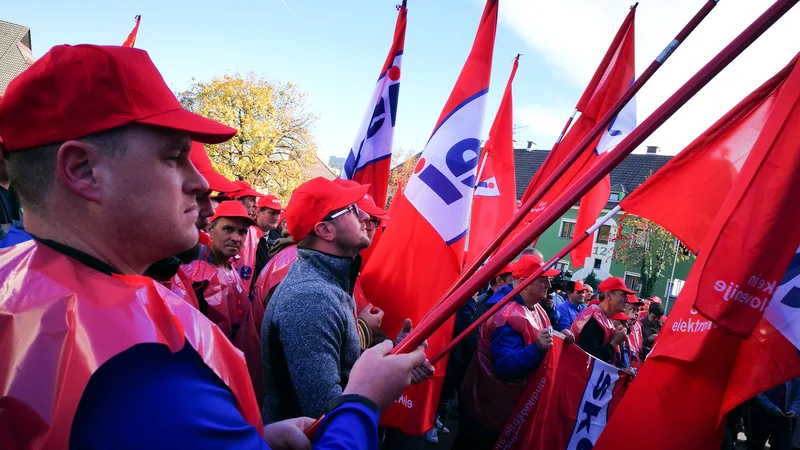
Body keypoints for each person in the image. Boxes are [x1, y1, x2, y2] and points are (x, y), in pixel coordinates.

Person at [0, 44, 428, 450]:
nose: (203, 183)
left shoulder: (18, 272)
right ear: (82, 170)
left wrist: (253, 437)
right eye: (173, 156)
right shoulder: (144, 373)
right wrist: (363, 401)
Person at [260, 177, 434, 425]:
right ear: (325, 230)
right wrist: (383, 385)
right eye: (353, 210)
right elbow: (327, 416)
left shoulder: (330, 280)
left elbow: (344, 364)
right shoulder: (311, 297)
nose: (365, 217)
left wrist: (394, 359)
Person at [455, 254, 575, 449]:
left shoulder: (537, 308)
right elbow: (504, 367)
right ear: (525, 282)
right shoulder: (507, 315)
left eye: (548, 280)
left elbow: (541, 336)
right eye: (543, 280)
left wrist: (560, 337)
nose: (549, 285)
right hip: (488, 409)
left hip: (506, 407)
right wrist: (537, 348)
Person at [570, 277, 632, 365]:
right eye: (623, 295)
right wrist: (614, 342)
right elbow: (589, 362)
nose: (627, 300)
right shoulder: (593, 318)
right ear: (608, 295)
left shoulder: (604, 318)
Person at [749, 379, 800, 450]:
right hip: (762, 415)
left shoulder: (794, 373)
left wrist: (793, 410)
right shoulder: (766, 370)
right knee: (756, 445)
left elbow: (798, 396)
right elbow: (758, 393)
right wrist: (772, 408)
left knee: (784, 446)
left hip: (785, 418)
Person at [233, 180, 264, 294]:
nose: (256, 205)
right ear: (238, 201)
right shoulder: (213, 227)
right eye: (252, 200)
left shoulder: (254, 232)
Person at [252, 194, 286, 288]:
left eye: (278, 213)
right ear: (258, 212)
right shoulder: (247, 235)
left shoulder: (279, 237)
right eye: (272, 213)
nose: (276, 217)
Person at [625, 294, 645, 370]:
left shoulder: (638, 326)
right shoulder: (615, 324)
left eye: (637, 310)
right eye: (633, 309)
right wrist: (626, 323)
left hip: (635, 373)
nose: (636, 313)